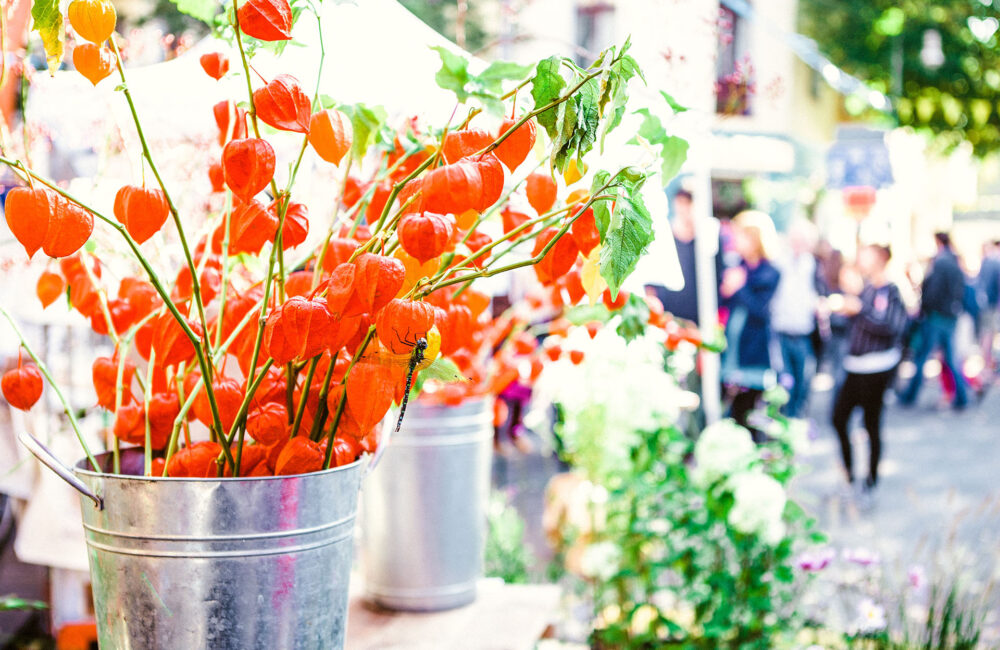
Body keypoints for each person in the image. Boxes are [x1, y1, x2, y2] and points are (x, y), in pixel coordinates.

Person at [830, 245, 907, 495]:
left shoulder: (890, 291)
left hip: (877, 367)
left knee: (870, 424)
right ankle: (851, 474)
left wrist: (859, 310)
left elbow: (891, 326)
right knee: (839, 418)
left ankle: (870, 480)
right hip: (855, 365)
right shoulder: (864, 289)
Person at [720, 210, 781, 439]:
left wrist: (739, 288)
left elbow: (761, 311)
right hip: (733, 350)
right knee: (734, 416)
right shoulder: (736, 266)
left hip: (754, 354)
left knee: (752, 417)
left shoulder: (770, 272)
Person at [899, 232, 970, 409]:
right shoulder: (954, 261)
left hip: (936, 316)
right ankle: (961, 397)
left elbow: (933, 292)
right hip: (949, 315)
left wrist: (924, 308)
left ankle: (910, 395)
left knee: (923, 357)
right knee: (950, 359)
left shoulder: (941, 262)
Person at [644, 189, 720, 324]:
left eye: (689, 203)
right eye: (681, 203)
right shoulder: (663, 236)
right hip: (668, 314)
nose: (684, 208)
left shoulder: (708, 238)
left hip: (699, 315)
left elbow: (717, 277)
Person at [771, 219, 820, 418]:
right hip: (781, 331)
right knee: (784, 382)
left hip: (803, 333)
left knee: (803, 382)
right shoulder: (779, 262)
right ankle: (784, 420)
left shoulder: (813, 265)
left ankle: (796, 421)